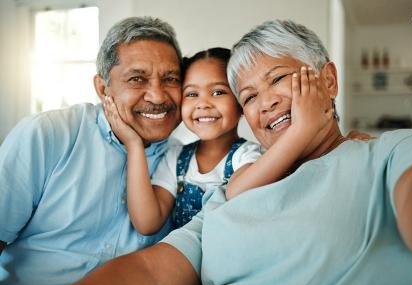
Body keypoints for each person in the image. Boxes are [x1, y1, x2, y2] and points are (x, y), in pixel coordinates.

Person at [48, 20, 412, 285]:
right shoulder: (229, 193)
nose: (265, 102)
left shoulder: (391, 152)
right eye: (250, 96)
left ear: (328, 81)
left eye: (278, 79)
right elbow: (152, 274)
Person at [0, 16, 183, 285]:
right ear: (102, 88)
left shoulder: (183, 160)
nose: (158, 95)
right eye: (137, 79)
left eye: (171, 79)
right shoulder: (47, 135)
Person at [102, 47, 331, 235]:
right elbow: (147, 223)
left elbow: (237, 190)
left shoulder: (249, 156)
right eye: (192, 94)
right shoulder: (177, 159)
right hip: (183, 268)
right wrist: (134, 145)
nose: (203, 104)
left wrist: (302, 129)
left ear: (241, 103)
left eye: (218, 92)